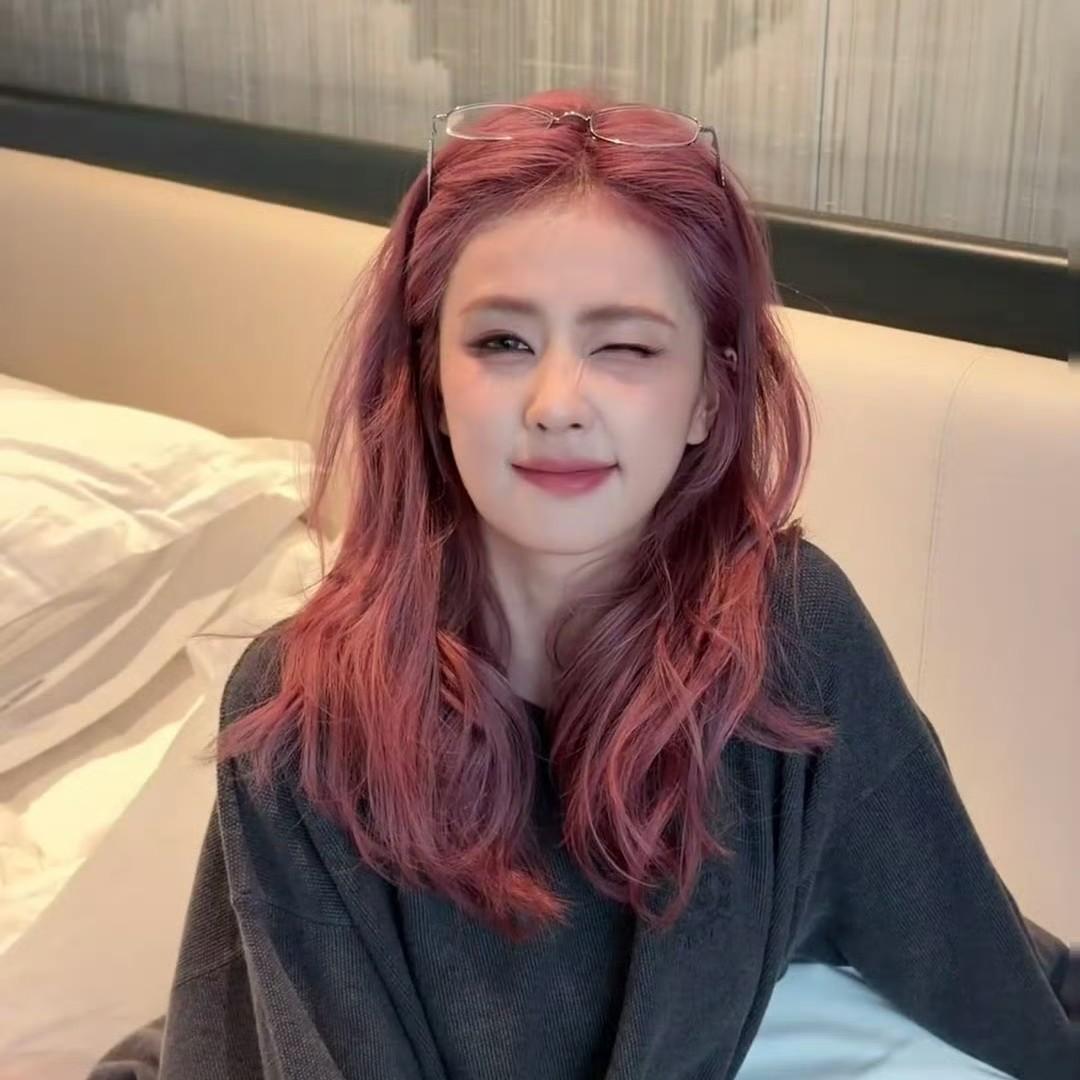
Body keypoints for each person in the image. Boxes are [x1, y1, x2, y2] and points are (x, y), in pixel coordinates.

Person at [90, 89, 1079, 1079]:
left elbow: (966, 941)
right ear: (429, 387)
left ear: (709, 396)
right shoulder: (305, 720)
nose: (557, 404)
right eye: (502, 343)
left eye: (626, 347)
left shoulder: (786, 635)